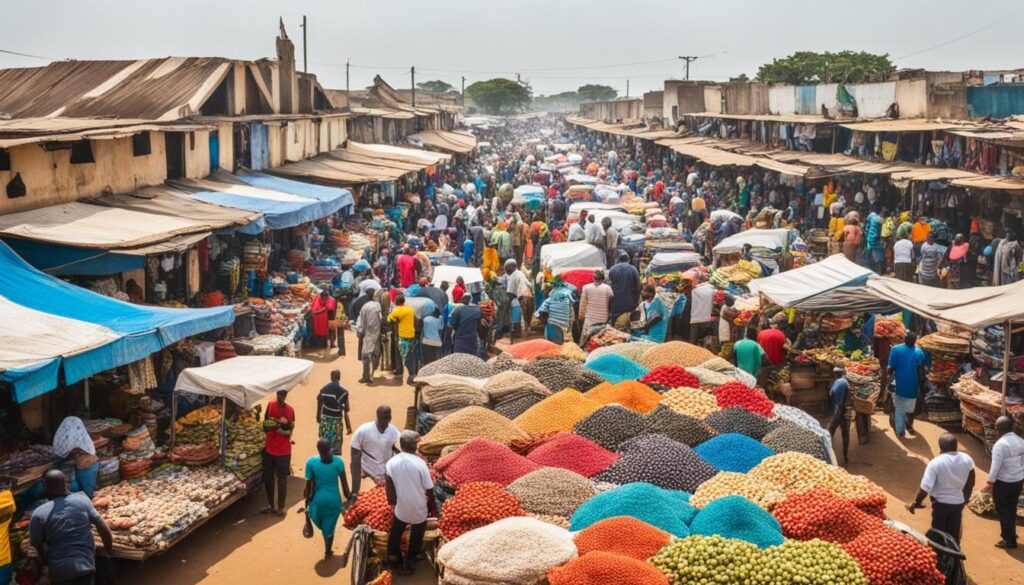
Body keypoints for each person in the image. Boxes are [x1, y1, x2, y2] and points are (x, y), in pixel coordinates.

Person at [29, 470, 113, 585]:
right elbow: (103, 528)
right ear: (66, 484)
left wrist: (46, 561)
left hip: (59, 572)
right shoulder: (82, 501)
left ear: (46, 487)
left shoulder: (38, 514)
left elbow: (36, 543)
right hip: (85, 567)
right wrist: (108, 551)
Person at [385, 431, 437, 576]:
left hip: (401, 509)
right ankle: (410, 562)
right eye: (416, 443)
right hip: (418, 508)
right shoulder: (420, 463)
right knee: (416, 536)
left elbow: (389, 488)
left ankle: (394, 560)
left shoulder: (391, 463)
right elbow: (430, 489)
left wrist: (393, 503)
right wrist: (433, 509)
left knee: (395, 534)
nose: (417, 445)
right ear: (413, 446)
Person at [908, 433, 975, 544]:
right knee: (954, 534)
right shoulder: (967, 459)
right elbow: (970, 482)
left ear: (940, 447)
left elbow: (926, 488)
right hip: (958, 504)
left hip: (940, 505)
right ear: (956, 445)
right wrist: (965, 500)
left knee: (937, 534)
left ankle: (938, 557)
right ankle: (954, 557)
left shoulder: (935, 463)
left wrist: (916, 502)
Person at [304, 438, 352, 560]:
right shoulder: (338, 463)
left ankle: (325, 538)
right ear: (331, 449)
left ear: (318, 451)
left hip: (317, 503)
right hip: (334, 503)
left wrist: (307, 504)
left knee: (321, 523)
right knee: (329, 529)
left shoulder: (311, 462)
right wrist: (352, 498)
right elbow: (346, 489)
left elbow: (308, 489)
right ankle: (327, 551)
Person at [988, 415, 1024, 548]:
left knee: (1002, 510)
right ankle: (1011, 533)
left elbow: (995, 466)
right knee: (1011, 508)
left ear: (999, 430)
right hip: (1018, 481)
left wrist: (990, 481)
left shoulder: (1000, 445)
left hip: (1003, 483)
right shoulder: (1021, 441)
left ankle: (1009, 539)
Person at [350, 406, 401, 495]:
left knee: (384, 490)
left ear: (390, 417)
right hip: (366, 463)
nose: (386, 419)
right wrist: (355, 490)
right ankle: (355, 493)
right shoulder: (363, 430)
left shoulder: (393, 431)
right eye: (383, 416)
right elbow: (355, 453)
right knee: (354, 465)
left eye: (388, 417)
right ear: (377, 416)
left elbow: (400, 449)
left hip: (383, 465)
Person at [886, 331, 928, 439]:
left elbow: (890, 369)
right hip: (912, 386)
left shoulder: (896, 350)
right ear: (915, 341)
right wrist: (922, 387)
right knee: (910, 408)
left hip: (898, 383)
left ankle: (900, 431)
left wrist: (888, 379)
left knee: (899, 407)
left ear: (904, 339)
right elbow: (921, 371)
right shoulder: (919, 352)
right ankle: (909, 425)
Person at [262, 389, 295, 515]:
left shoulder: (290, 410)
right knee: (268, 478)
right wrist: (275, 425)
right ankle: (270, 505)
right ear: (277, 394)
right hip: (269, 448)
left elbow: (290, 430)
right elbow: (265, 424)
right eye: (279, 394)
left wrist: (281, 426)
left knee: (282, 480)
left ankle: (281, 507)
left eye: (283, 394)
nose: (281, 396)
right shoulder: (270, 405)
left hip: (283, 451)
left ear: (286, 395)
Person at [317, 370, 351, 455]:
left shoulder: (323, 389)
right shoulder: (344, 391)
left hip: (325, 421)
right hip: (336, 423)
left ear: (331, 377)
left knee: (324, 446)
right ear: (339, 378)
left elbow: (319, 400)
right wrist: (348, 426)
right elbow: (347, 409)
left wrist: (318, 415)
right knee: (335, 449)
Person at [388, 293, 417, 384]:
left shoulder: (398, 310)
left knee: (400, 355)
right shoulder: (409, 309)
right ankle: (412, 374)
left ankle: (402, 372)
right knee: (409, 355)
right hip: (411, 334)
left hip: (402, 335)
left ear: (397, 302)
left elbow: (389, 319)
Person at [607, 252, 641, 327]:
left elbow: (609, 286)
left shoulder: (613, 269)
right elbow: (638, 287)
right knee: (633, 325)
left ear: (618, 260)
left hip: (617, 305)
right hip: (631, 304)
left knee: (616, 328)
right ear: (628, 260)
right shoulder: (633, 269)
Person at [579, 269, 614, 341]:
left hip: (590, 319)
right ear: (603, 278)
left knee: (586, 339)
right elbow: (611, 299)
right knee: (600, 340)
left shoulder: (586, 287)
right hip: (602, 319)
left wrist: (581, 316)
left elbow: (583, 304)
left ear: (593, 277)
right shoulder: (607, 288)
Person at [357, 292, 383, 384]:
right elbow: (381, 318)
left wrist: (361, 331)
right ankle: (371, 373)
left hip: (369, 334)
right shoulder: (378, 305)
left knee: (365, 356)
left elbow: (362, 321)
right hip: (377, 333)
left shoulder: (365, 307)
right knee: (375, 354)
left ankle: (366, 377)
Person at [828, 367, 852, 465]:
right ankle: (845, 458)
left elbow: (834, 395)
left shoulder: (839, 382)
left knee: (830, 431)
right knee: (845, 434)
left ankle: (829, 455)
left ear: (835, 374)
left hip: (840, 410)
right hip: (846, 411)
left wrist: (836, 413)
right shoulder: (844, 381)